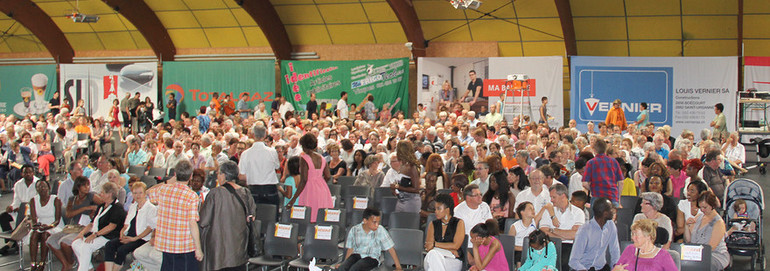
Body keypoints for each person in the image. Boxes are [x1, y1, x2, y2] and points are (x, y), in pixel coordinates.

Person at [199, 161, 256, 271]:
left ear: (224, 175)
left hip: (219, 250)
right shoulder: (245, 192)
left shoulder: (215, 194)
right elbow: (252, 217)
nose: (217, 177)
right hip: (240, 248)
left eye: (218, 173)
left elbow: (203, 221)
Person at [147, 160, 203, 270]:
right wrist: (198, 248)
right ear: (191, 176)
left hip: (166, 244)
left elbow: (148, 193)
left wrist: (168, 182)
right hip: (184, 246)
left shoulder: (163, 189)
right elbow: (192, 223)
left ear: (175, 174)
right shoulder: (191, 196)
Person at [71, 182, 126, 271]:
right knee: (75, 243)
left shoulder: (117, 208)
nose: (100, 194)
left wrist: (95, 235)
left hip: (109, 236)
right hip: (96, 233)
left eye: (102, 192)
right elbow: (91, 223)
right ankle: (89, 268)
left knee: (87, 246)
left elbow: (111, 226)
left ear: (110, 194)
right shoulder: (101, 206)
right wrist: (81, 233)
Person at [47, 176, 98, 270]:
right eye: (84, 185)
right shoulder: (72, 199)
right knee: (51, 240)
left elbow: (103, 206)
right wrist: (85, 208)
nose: (87, 187)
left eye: (88, 185)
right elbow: (68, 214)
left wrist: (93, 212)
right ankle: (67, 263)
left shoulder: (92, 196)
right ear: (78, 187)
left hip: (84, 228)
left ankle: (71, 262)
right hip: (72, 227)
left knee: (64, 242)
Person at [103, 182, 156, 271]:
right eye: (135, 193)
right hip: (129, 236)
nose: (137, 195)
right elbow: (126, 225)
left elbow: (150, 228)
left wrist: (134, 239)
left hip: (141, 238)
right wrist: (122, 233)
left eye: (140, 193)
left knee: (122, 250)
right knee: (109, 245)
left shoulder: (151, 208)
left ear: (145, 193)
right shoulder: (133, 206)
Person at [338, 207, 403, 271]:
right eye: (374, 222)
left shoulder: (380, 230)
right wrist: (344, 263)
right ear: (365, 221)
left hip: (371, 258)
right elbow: (350, 249)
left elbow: (390, 249)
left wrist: (398, 267)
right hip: (356, 255)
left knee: (355, 269)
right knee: (342, 268)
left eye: (378, 222)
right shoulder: (354, 230)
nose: (377, 225)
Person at [287, 133, 333, 223]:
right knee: (321, 217)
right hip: (322, 189)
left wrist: (293, 199)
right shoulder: (322, 158)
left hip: (309, 189)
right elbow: (328, 176)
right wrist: (320, 182)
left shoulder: (304, 158)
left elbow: (304, 180)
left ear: (304, 146)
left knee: (309, 216)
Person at [540, 183, 585, 271]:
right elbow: (543, 231)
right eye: (551, 197)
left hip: (570, 246)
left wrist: (552, 230)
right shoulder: (549, 211)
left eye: (554, 197)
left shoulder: (578, 212)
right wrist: (562, 236)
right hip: (550, 244)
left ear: (563, 196)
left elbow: (575, 234)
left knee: (565, 261)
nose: (551, 200)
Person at [569, 197, 621, 271]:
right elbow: (573, 261)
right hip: (583, 268)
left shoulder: (611, 225)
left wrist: (616, 266)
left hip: (601, 267)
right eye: (611, 209)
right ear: (604, 213)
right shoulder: (584, 230)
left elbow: (615, 251)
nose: (613, 211)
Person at [684, 191, 729, 271]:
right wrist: (686, 225)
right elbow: (689, 240)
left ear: (712, 205)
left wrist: (693, 255)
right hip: (697, 254)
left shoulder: (719, 222)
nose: (702, 210)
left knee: (699, 266)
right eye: (700, 207)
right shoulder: (698, 217)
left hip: (715, 255)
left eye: (705, 207)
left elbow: (710, 248)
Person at [239, 124, 281, 207]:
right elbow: (277, 166)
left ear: (253, 135)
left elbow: (241, 174)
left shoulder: (245, 154)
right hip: (270, 188)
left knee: (255, 217)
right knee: (272, 217)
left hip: (253, 189)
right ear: (265, 135)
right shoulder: (272, 152)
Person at [613, 219, 677, 271]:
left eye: (636, 234)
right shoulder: (629, 250)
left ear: (648, 236)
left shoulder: (663, 255)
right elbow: (617, 268)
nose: (632, 237)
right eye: (632, 234)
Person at [424, 193, 465, 271]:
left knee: (433, 262)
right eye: (435, 209)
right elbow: (429, 246)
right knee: (433, 255)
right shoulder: (433, 224)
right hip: (435, 257)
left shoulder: (459, 223)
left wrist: (435, 244)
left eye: (439, 209)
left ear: (447, 209)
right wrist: (449, 248)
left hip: (453, 260)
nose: (435, 211)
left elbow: (456, 246)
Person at [28, 179, 62, 270]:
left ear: (49, 188)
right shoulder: (33, 200)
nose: (41, 188)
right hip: (40, 226)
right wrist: (36, 225)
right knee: (34, 235)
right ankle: (33, 263)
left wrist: (48, 226)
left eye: (43, 186)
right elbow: (33, 219)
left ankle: (42, 263)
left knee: (45, 235)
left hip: (53, 226)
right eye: (39, 187)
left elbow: (57, 220)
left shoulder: (55, 199)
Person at [454, 184, 493, 252]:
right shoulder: (458, 211)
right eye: (476, 195)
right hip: (467, 247)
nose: (480, 197)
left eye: (480, 194)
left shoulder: (484, 206)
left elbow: (490, 226)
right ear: (468, 198)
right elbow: (457, 235)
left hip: (484, 244)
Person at [583, 139, 622, 206]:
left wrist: (593, 188)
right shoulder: (614, 161)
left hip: (597, 197)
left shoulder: (591, 163)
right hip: (612, 197)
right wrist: (618, 198)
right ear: (605, 149)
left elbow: (584, 183)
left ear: (594, 150)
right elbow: (621, 182)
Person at [508, 202, 541, 268]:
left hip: (531, 250)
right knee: (519, 255)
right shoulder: (515, 227)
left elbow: (544, 209)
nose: (533, 211)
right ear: (522, 212)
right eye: (530, 209)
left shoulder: (534, 224)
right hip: (518, 250)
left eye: (533, 209)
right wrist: (523, 248)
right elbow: (509, 245)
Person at [392, 141, 421, 213]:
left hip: (411, 201)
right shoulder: (402, 165)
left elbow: (416, 189)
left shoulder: (412, 167)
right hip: (401, 200)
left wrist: (398, 187)